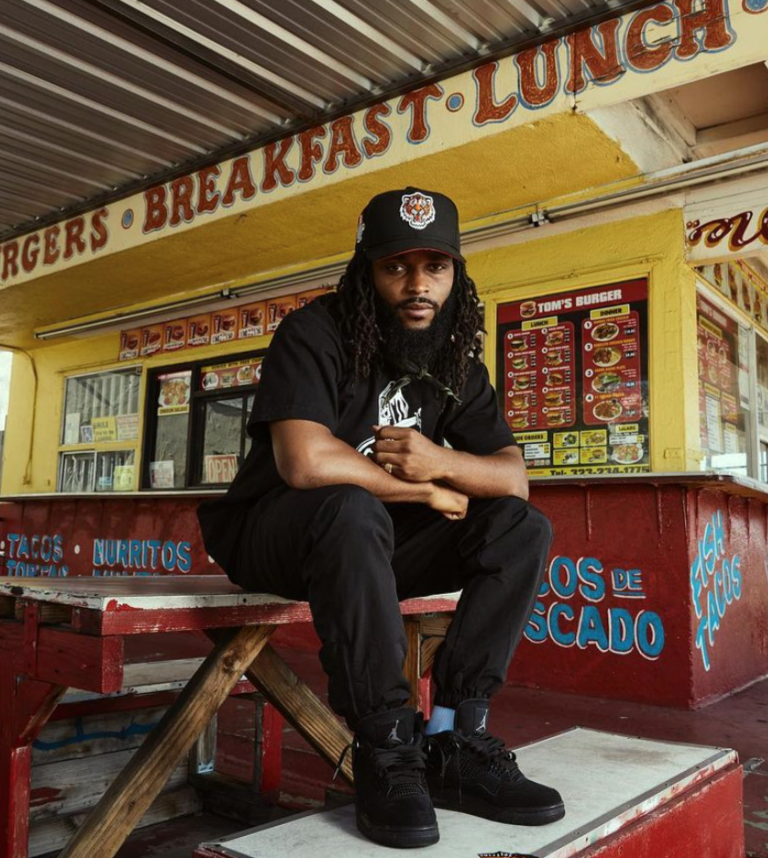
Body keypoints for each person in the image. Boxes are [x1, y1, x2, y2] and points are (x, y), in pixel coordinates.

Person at [198, 187, 563, 848]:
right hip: (273, 536)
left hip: (370, 543)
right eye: (397, 267)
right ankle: (387, 747)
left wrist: (437, 463)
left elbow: (513, 478)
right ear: (367, 271)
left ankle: (455, 737)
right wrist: (422, 493)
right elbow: (305, 461)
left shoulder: (453, 359)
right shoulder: (315, 332)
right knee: (347, 504)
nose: (418, 285)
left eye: (436, 267)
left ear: (456, 274)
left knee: (519, 528)